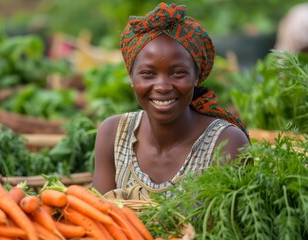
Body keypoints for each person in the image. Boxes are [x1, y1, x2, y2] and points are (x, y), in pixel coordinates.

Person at [92, 2, 250, 198]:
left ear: (197, 77)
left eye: (178, 73)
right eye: (148, 73)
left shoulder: (226, 143)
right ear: (132, 78)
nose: (162, 86)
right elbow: (97, 219)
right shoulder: (113, 134)